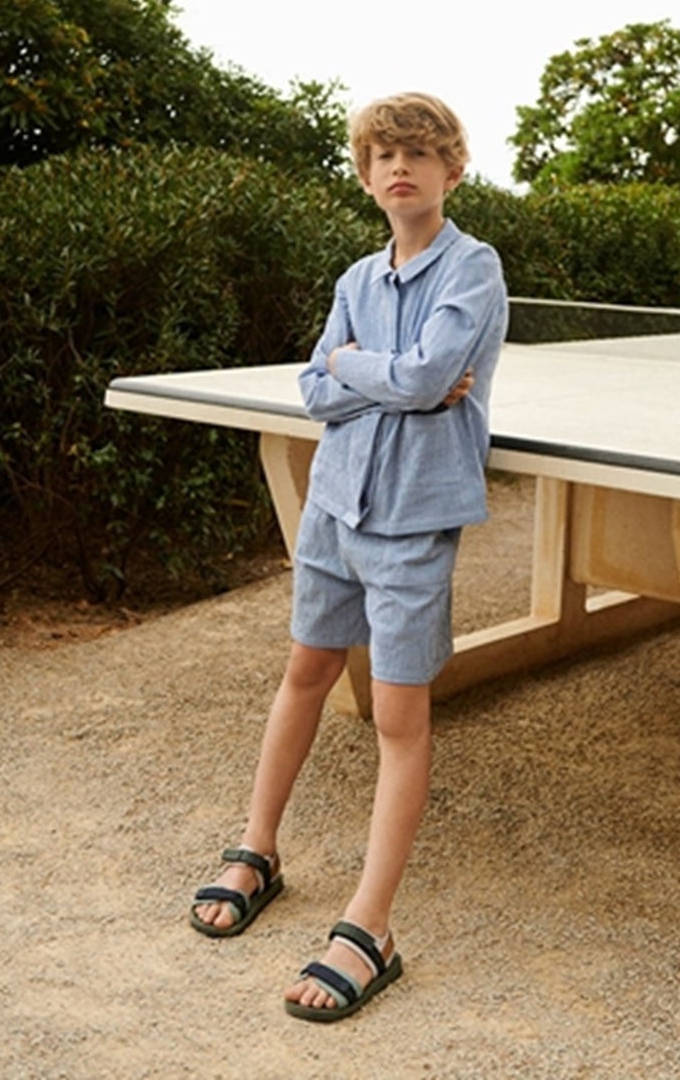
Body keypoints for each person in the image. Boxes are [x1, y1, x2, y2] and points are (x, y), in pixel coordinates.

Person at [188, 92, 509, 1023]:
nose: (400, 167)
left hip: (413, 520)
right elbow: (318, 390)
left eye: (419, 153)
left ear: (451, 170)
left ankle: (371, 927)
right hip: (334, 506)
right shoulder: (356, 278)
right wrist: (381, 376)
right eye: (383, 156)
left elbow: (418, 376)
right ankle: (257, 849)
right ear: (367, 177)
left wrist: (359, 367)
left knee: (399, 718)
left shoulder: (474, 266)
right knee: (304, 673)